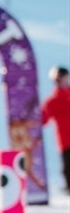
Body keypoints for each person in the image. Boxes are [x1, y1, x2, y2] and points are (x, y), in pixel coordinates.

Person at [42, 64, 70, 195]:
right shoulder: (53, 101)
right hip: (65, 141)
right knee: (68, 168)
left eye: (66, 78)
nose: (65, 81)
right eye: (61, 79)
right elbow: (43, 119)